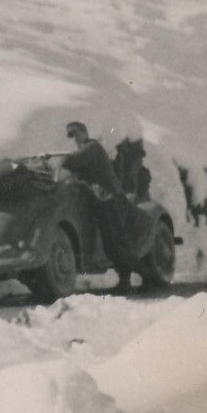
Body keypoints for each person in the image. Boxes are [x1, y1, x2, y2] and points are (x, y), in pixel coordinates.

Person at [57, 121, 135, 294]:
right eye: (71, 136)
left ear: (85, 132)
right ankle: (124, 279)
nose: (74, 139)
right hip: (101, 199)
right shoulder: (84, 150)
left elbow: (74, 160)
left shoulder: (92, 147)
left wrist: (56, 160)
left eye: (76, 134)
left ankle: (126, 280)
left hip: (110, 198)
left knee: (116, 239)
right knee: (110, 239)